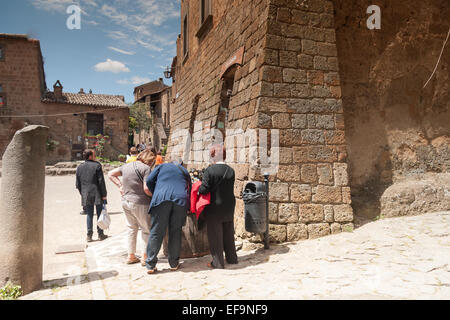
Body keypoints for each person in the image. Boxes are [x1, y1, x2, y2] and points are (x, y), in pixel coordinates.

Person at [145, 156, 191, 274]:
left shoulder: (161, 166)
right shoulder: (183, 170)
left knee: (156, 231)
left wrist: (157, 191)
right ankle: (174, 263)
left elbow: (149, 181)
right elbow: (189, 188)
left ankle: (150, 264)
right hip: (180, 200)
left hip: (161, 199)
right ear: (181, 163)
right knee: (175, 231)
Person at [108, 150, 156, 265]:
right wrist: (154, 196)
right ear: (148, 160)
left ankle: (131, 255)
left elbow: (110, 174)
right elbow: (146, 189)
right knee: (146, 229)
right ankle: (145, 256)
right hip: (140, 202)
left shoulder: (126, 166)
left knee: (131, 228)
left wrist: (120, 186)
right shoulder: (146, 169)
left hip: (125, 201)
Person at [198, 144, 238, 269]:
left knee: (215, 234)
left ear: (213, 155)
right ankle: (232, 258)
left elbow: (204, 190)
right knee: (228, 232)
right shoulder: (231, 170)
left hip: (214, 206)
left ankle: (218, 262)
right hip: (229, 205)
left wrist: (198, 188)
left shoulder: (210, 171)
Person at [76, 149, 108, 242]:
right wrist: (104, 194)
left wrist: (83, 193)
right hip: (97, 193)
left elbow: (78, 184)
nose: (95, 156)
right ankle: (100, 234)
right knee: (99, 214)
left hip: (86, 193)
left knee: (89, 214)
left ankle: (89, 235)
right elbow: (101, 181)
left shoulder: (79, 167)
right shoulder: (97, 165)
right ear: (90, 156)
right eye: (94, 155)